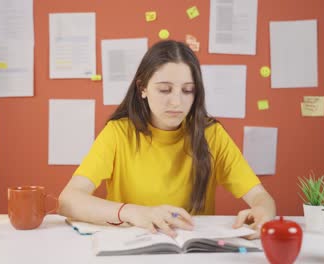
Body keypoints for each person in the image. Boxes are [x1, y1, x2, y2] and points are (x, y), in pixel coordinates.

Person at [58, 40, 276, 239]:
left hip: (192, 251)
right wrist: (134, 212)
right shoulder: (118, 133)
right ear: (142, 88)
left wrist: (263, 210)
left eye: (188, 90)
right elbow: (68, 200)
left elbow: (260, 197)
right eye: (164, 89)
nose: (177, 102)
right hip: (132, 247)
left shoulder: (212, 134)